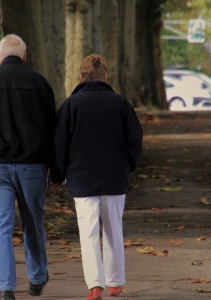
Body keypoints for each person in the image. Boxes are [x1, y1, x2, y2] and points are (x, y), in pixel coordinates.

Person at [0, 34, 60, 300]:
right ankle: (37, 277)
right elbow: (53, 128)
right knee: (33, 222)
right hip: (33, 166)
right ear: (25, 56)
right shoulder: (40, 84)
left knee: (1, 227)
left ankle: (5, 288)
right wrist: (55, 165)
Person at [54, 54, 143, 300]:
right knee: (114, 228)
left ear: (81, 77)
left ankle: (95, 284)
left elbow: (60, 144)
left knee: (88, 232)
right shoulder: (121, 103)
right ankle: (115, 281)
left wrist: (58, 174)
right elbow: (135, 140)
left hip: (81, 178)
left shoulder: (71, 105)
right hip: (115, 176)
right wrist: (130, 166)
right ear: (106, 76)